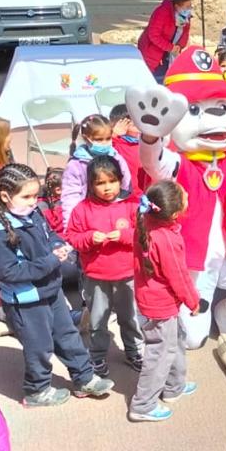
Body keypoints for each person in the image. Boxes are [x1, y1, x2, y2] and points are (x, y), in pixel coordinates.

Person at [0, 163, 114, 407]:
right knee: (39, 346)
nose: (34, 201)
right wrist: (51, 261)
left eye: (36, 195)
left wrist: (57, 245)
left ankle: (83, 377)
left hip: (51, 289)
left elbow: (49, 234)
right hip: (25, 300)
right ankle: (36, 390)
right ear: (4, 196)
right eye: (27, 197)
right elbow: (9, 271)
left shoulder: (33, 213)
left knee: (68, 335)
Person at [65, 156, 144, 376]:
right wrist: (89, 237)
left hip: (128, 273)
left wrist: (125, 235)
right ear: (90, 185)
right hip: (96, 275)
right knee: (98, 320)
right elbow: (72, 236)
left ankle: (134, 351)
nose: (107, 187)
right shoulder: (82, 209)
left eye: (112, 181)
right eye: (100, 183)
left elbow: (143, 233)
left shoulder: (132, 204)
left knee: (130, 318)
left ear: (120, 180)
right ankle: (97, 356)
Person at [129, 180, 199, 423]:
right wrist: (193, 301)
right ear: (177, 212)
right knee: (160, 353)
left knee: (175, 341)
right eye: (184, 195)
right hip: (160, 305)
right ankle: (143, 404)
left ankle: (174, 386)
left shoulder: (145, 222)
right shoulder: (166, 238)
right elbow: (178, 275)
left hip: (151, 299)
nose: (187, 194)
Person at [60, 114, 133, 225]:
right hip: (87, 217)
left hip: (114, 213)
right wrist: (69, 225)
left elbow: (126, 185)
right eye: (99, 139)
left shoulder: (116, 157)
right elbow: (70, 196)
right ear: (86, 138)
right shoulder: (76, 164)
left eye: (108, 138)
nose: (104, 143)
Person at [138, 0, 193, 81]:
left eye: (190, 6)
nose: (189, 9)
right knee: (154, 79)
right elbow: (153, 35)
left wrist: (179, 46)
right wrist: (170, 47)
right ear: (177, 6)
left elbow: (185, 32)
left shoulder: (185, 16)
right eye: (187, 7)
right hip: (152, 52)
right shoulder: (162, 12)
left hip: (171, 52)